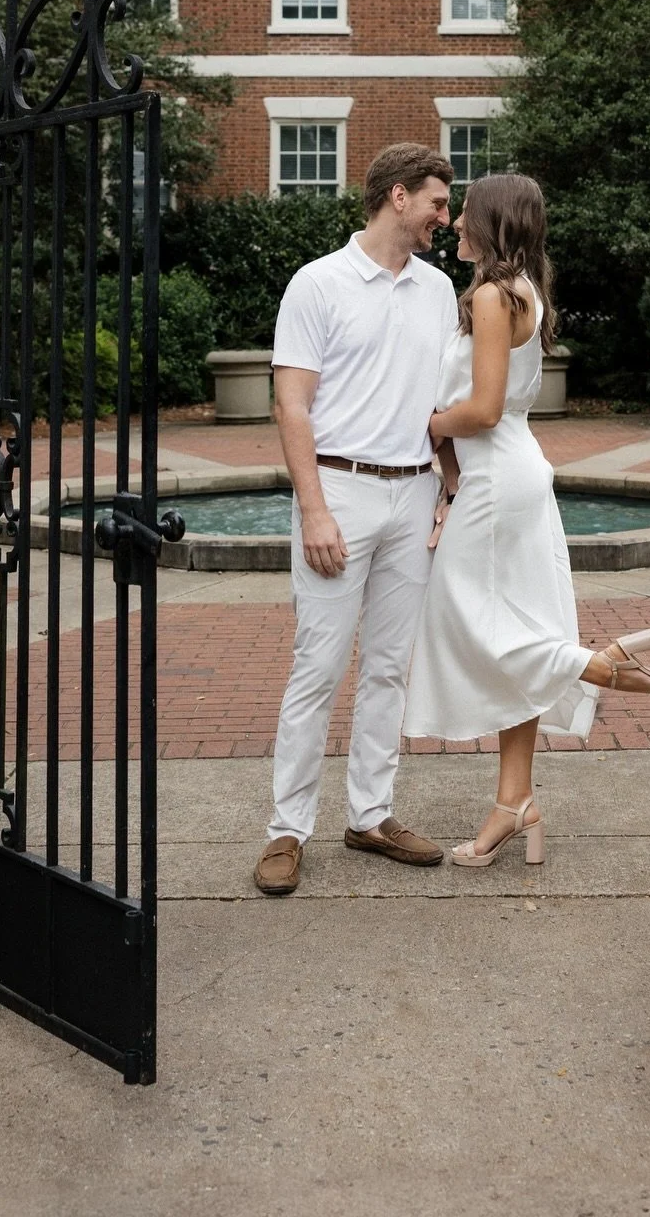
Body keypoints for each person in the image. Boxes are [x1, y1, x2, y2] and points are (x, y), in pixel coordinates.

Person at [402, 172, 650, 868]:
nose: (455, 223)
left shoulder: (492, 296)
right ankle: (514, 804)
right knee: (513, 624)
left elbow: (482, 410)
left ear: (491, 223)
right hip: (516, 471)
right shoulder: (525, 291)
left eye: (464, 215)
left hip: (496, 477)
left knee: (467, 622)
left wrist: (428, 425)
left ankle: (601, 665)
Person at [253, 142, 459, 897]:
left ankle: (371, 815)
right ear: (398, 197)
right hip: (339, 493)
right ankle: (286, 829)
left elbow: (441, 406)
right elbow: (292, 404)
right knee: (317, 668)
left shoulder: (439, 290)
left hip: (413, 497)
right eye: (438, 200)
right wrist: (313, 509)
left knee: (387, 669)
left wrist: (448, 491)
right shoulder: (318, 283)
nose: (447, 214)